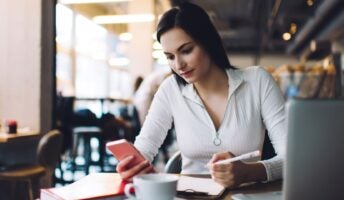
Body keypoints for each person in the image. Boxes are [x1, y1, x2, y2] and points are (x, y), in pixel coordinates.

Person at [116, 2, 286, 188]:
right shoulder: (170, 90)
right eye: (170, 57)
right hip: (189, 195)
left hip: (244, 195)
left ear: (208, 42)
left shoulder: (257, 81)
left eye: (186, 51)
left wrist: (248, 172)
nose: (178, 65)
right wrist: (132, 166)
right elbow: (144, 148)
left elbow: (291, 159)